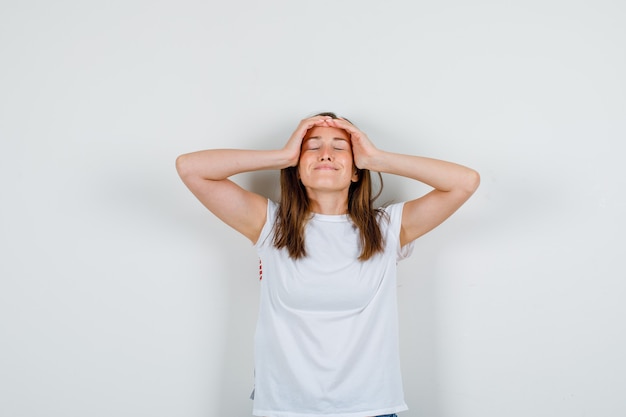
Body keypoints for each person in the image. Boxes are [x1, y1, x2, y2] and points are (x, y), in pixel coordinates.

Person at [176, 112, 480, 417]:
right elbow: (190, 168)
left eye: (339, 147)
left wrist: (376, 158)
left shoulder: (387, 229)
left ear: (356, 170)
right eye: (312, 147)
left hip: (371, 408)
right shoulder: (270, 225)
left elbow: (465, 182)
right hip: (285, 409)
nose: (325, 154)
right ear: (296, 168)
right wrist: (282, 155)